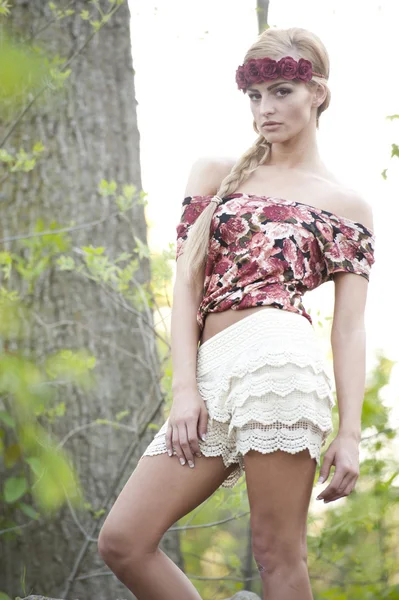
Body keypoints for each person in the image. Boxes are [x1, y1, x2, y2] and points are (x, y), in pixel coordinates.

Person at [98, 26, 376, 600]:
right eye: (255, 96)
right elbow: (186, 287)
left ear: (317, 93)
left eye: (281, 92)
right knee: (123, 541)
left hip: (281, 370)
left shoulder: (348, 205)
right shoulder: (216, 174)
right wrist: (183, 390)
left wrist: (349, 436)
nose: (265, 109)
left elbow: (349, 329)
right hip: (211, 371)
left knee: (277, 554)